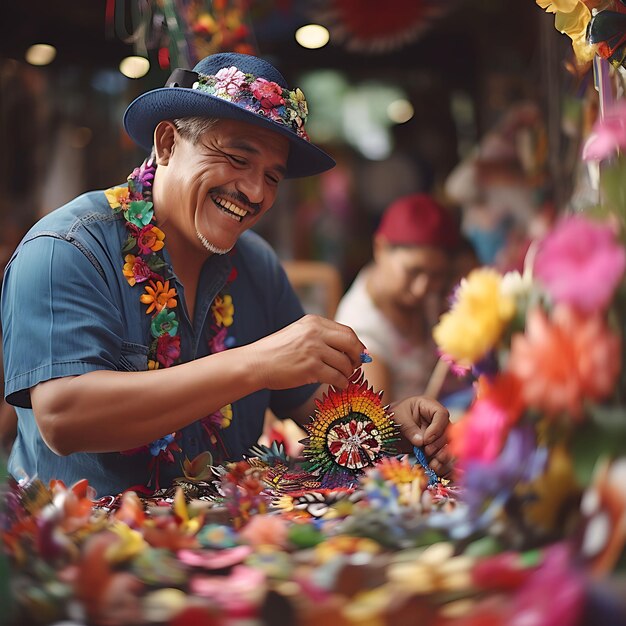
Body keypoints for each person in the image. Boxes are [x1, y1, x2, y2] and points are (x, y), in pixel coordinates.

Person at [1, 53, 452, 497]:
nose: (255, 192)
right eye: (237, 159)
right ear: (167, 144)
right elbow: (63, 417)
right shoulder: (67, 249)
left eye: (272, 177)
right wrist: (255, 364)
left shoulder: (256, 264)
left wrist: (393, 430)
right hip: (78, 553)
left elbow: (315, 408)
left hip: (230, 549)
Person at [335, 193, 467, 403]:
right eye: (413, 271)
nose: (421, 288)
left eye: (436, 275)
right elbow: (380, 430)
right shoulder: (362, 334)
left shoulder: (428, 298)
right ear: (380, 248)